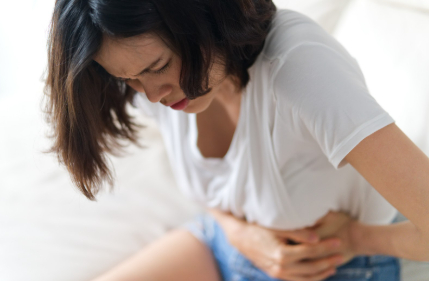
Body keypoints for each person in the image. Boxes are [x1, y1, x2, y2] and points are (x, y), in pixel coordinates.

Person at [44, 0, 429, 280]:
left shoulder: (299, 66)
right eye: (128, 79)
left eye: (157, 67)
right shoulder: (157, 82)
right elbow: (219, 194)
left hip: (327, 268)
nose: (151, 94)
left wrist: (354, 237)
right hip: (227, 243)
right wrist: (240, 234)